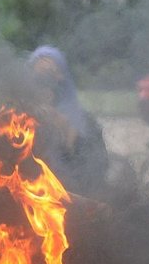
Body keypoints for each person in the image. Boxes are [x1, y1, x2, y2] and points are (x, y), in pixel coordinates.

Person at [28, 45, 109, 198]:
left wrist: (69, 137)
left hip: (74, 196)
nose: (46, 84)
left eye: (51, 74)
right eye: (39, 78)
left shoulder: (83, 120)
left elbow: (98, 168)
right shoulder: (18, 119)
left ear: (62, 76)